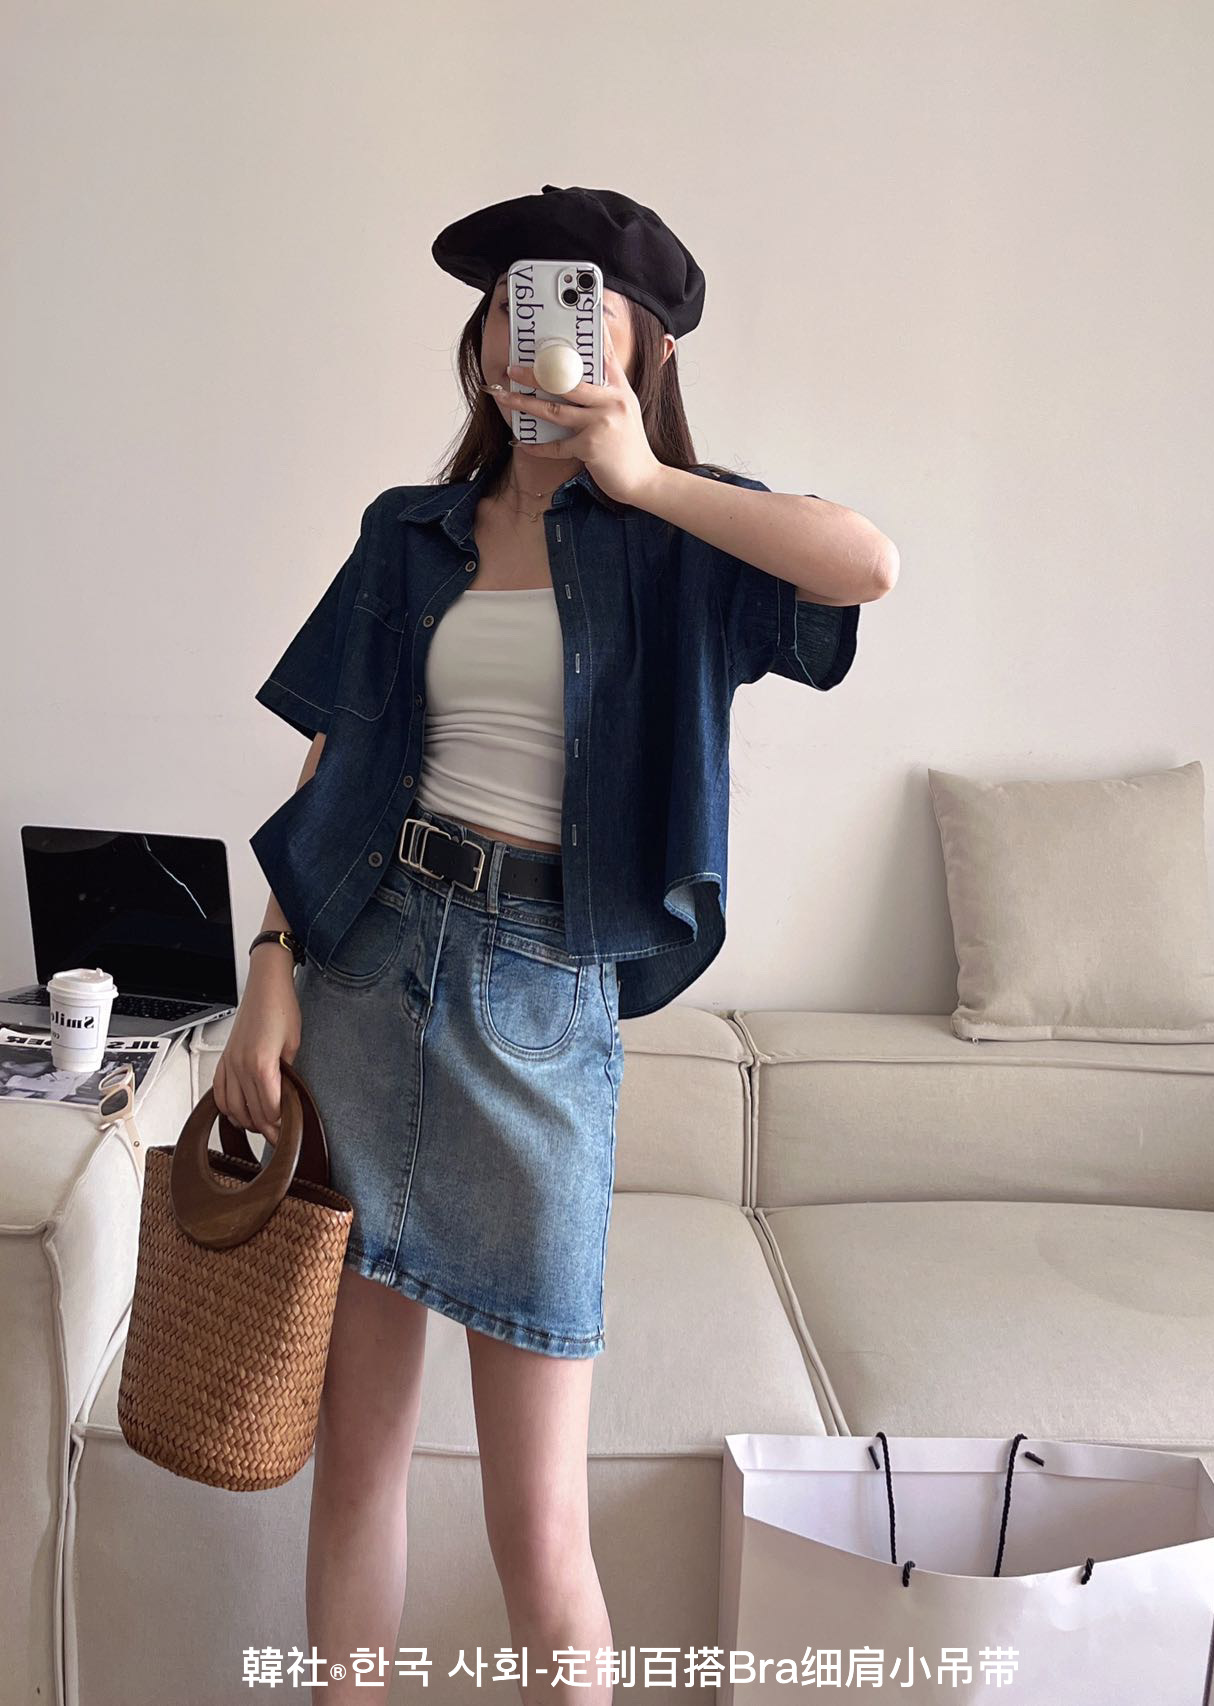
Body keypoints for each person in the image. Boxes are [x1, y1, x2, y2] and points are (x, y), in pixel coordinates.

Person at [215, 186, 898, 1704]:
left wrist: (644, 476)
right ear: (482, 339)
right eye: (513, 305)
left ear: (645, 348)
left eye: (580, 309)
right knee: (354, 1470)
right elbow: (331, 760)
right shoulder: (408, 535)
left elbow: (865, 565)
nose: (537, 338)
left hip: (538, 1003)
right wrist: (266, 971)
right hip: (362, 968)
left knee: (538, 1527)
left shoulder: (677, 542)